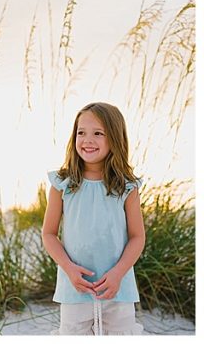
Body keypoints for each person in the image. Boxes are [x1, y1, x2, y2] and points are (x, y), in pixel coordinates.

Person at [42, 102, 145, 335]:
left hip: (118, 286)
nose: (87, 140)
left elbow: (137, 237)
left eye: (98, 133)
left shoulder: (126, 187)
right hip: (75, 286)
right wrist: (68, 268)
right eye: (81, 133)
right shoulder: (63, 184)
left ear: (115, 138)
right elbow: (49, 234)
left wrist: (118, 273)